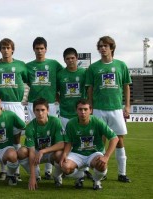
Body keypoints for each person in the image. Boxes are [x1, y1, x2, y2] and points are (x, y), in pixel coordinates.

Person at [86, 36, 132, 182]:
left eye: (105, 46)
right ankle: (101, 171)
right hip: (99, 108)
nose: (103, 48)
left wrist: (127, 106)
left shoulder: (121, 65)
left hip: (116, 108)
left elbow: (126, 87)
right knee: (99, 140)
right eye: (100, 46)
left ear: (112, 48)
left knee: (119, 140)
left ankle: (122, 173)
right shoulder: (93, 68)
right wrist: (90, 105)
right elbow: (90, 89)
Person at [0, 38, 27, 180]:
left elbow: (29, 80)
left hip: (16, 104)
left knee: (16, 138)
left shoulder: (21, 65)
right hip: (0, 105)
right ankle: (3, 170)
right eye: (3, 48)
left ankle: (15, 169)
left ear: (12, 49)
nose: (6, 50)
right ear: (0, 50)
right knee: (1, 137)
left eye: (8, 47)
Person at [60, 99, 119, 190]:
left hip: (94, 153)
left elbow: (114, 138)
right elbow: (69, 142)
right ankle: (80, 176)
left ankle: (96, 180)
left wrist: (106, 156)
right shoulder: (71, 123)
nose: (83, 112)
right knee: (65, 167)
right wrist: (64, 154)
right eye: (80, 109)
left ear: (90, 110)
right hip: (77, 153)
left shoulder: (97, 121)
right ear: (76, 110)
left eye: (85, 109)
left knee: (102, 165)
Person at [26, 37, 63, 179]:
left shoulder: (54, 64)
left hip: (51, 104)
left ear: (46, 49)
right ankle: (35, 170)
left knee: (50, 135)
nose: (40, 51)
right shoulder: (27, 66)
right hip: (32, 104)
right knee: (36, 135)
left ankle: (48, 170)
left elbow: (64, 75)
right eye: (37, 48)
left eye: (42, 48)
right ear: (33, 49)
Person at [56, 47, 92, 180]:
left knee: (82, 140)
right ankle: (69, 166)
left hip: (80, 114)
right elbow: (56, 92)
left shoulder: (84, 73)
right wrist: (62, 102)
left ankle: (85, 168)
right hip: (65, 114)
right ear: (64, 60)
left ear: (77, 58)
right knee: (67, 142)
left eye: (72, 58)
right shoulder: (60, 74)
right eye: (67, 58)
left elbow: (89, 90)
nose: (70, 61)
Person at [17, 98, 65, 190]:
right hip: (36, 153)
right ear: (33, 111)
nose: (40, 113)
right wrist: (32, 176)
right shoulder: (30, 127)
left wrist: (43, 151)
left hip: (50, 153)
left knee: (60, 154)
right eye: (37, 110)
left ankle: (57, 176)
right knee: (21, 152)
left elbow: (61, 144)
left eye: (43, 110)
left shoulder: (55, 122)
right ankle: (36, 174)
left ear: (48, 110)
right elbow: (31, 152)